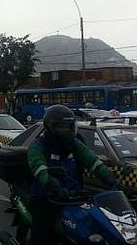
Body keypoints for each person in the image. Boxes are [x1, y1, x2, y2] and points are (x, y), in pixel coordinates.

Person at [27, 105, 118, 245]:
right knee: (42, 235)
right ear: (50, 127)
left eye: (68, 126)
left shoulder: (74, 143)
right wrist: (50, 181)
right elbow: (38, 166)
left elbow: (92, 160)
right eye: (60, 127)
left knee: (94, 227)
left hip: (73, 196)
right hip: (46, 198)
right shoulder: (38, 145)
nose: (65, 130)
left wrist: (109, 177)